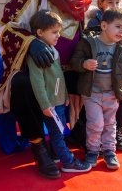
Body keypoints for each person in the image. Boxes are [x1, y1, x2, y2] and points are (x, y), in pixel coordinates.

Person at [0, 0, 92, 179]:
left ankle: (89, 135)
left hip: (67, 70)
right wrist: (31, 43)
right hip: (34, 71)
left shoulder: (78, 1)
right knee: (23, 85)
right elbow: (5, 28)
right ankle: (38, 147)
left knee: (98, 76)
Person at [70, 8, 122, 170]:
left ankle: (109, 151)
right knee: (96, 124)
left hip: (112, 94)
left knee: (110, 124)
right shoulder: (88, 43)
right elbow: (75, 61)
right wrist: (84, 64)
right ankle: (93, 151)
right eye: (118, 27)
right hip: (92, 93)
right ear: (104, 25)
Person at [27, 10, 91, 173]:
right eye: (54, 32)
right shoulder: (36, 54)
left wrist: (64, 98)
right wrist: (45, 105)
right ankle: (68, 162)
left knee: (59, 132)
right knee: (57, 135)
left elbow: (58, 78)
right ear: (40, 32)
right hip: (51, 105)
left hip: (58, 102)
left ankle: (57, 154)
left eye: (59, 32)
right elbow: (38, 82)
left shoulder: (51, 48)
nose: (58, 36)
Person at [85, 0, 122, 151]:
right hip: (99, 76)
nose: (114, 5)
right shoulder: (94, 21)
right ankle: (95, 143)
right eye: (110, 2)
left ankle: (119, 133)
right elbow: (89, 42)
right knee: (96, 116)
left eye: (117, 2)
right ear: (101, 3)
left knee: (121, 98)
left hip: (116, 72)